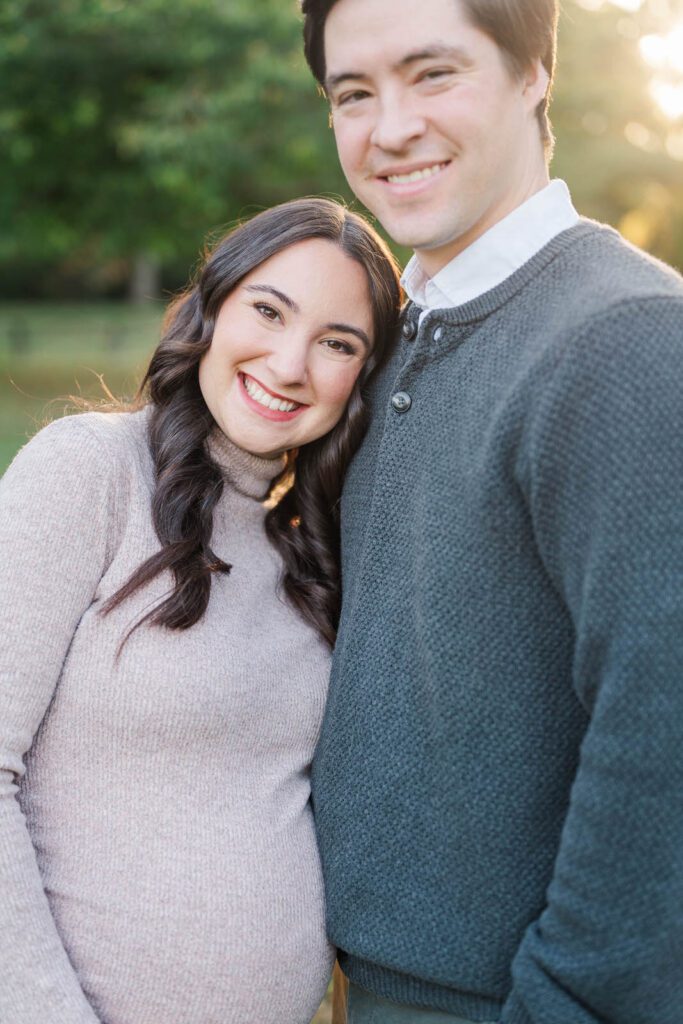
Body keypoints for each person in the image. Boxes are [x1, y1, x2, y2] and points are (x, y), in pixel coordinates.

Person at [300, 1, 683, 1022]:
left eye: (433, 75)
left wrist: (569, 1001)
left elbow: (661, 734)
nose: (388, 129)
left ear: (531, 76)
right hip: (365, 978)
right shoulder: (391, 334)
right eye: (352, 93)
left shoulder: (623, 340)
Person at [0, 197, 401, 1024]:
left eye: (337, 343)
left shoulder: (305, 544)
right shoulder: (92, 473)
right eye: (267, 310)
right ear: (211, 309)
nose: (291, 364)